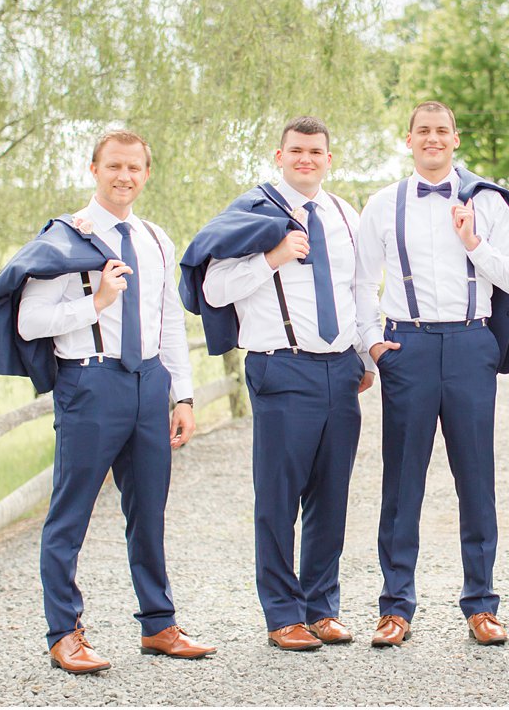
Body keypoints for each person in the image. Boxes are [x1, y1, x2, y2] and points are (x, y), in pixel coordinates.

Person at [0, 129, 213, 674]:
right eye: (113, 166)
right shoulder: (69, 238)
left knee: (147, 513)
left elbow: (168, 324)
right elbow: (29, 320)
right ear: (94, 169)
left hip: (149, 386)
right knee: (71, 513)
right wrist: (97, 301)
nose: (124, 176)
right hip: (90, 385)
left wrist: (182, 394)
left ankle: (159, 626)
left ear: (147, 173)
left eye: (134, 167)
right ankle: (64, 633)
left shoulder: (157, 239)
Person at [181, 117, 373, 652]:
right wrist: (273, 256)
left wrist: (364, 356)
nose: (306, 159)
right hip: (282, 366)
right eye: (296, 151)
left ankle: (321, 607)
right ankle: (282, 614)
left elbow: (356, 288)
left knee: (331, 495)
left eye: (315, 151)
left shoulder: (344, 215)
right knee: (278, 497)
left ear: (329, 159)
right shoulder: (253, 212)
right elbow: (214, 290)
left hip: (340, 368)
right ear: (279, 156)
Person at [354, 101, 509, 648]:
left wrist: (474, 243)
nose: (432, 139)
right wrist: (373, 347)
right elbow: (362, 283)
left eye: (442, 131)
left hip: (469, 343)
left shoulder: (488, 202)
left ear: (456, 139)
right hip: (406, 344)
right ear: (408, 140)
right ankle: (395, 606)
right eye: (422, 132)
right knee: (402, 481)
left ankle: (481, 604)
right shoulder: (382, 205)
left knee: (475, 478)